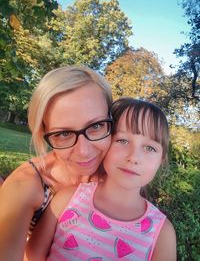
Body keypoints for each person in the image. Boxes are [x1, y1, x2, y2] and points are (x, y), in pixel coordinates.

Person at [25, 97, 177, 261]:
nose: (134, 157)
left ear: (161, 160)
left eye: (149, 148)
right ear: (104, 142)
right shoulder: (67, 199)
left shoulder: (162, 233)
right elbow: (32, 255)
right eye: (122, 140)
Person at [0, 65, 113, 261]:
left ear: (111, 119)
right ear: (44, 133)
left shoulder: (115, 174)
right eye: (64, 134)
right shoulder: (25, 186)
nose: (84, 151)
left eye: (96, 126)